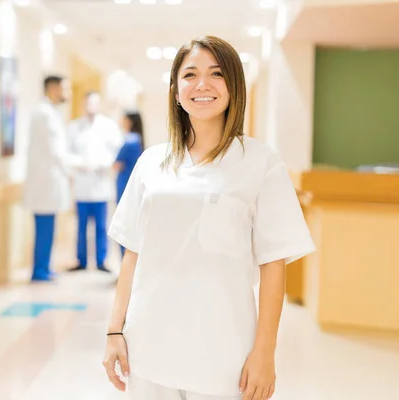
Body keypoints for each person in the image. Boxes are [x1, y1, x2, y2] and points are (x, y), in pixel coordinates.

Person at [103, 36, 316, 400]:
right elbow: (133, 253)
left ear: (234, 87)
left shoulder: (260, 162)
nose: (202, 84)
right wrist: (114, 331)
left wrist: (265, 351)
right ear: (175, 90)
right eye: (190, 74)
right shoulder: (151, 162)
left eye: (216, 74)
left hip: (223, 348)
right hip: (150, 339)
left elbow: (273, 264)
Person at [67, 91, 123, 273]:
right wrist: (79, 164)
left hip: (101, 184)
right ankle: (81, 260)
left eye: (94, 104)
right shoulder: (74, 127)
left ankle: (101, 261)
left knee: (101, 226)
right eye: (88, 103)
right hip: (82, 184)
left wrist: (102, 164)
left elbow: (117, 153)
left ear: (99, 105)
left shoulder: (109, 127)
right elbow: (67, 153)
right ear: (83, 104)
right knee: (81, 226)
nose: (91, 107)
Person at [23, 75, 71, 282]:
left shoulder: (49, 112)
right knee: (44, 228)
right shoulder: (44, 114)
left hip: (48, 182)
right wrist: (69, 171)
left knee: (48, 228)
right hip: (45, 183)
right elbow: (55, 151)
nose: (65, 93)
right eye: (63, 89)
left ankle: (44, 267)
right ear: (53, 89)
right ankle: (39, 270)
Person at [113, 110, 145, 258]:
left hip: (125, 186)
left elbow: (116, 164)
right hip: (134, 187)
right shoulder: (138, 140)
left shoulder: (130, 140)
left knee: (124, 227)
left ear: (129, 121)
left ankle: (125, 267)